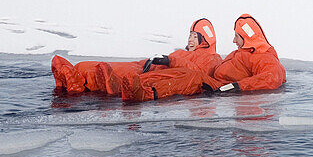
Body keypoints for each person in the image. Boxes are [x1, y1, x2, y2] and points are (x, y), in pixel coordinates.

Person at [111, 14, 286, 102]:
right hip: (215, 83)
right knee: (183, 74)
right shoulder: (241, 53)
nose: (233, 40)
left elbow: (273, 77)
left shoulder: (263, 56)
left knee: (191, 77)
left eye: (237, 36)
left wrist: (236, 87)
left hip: (219, 87)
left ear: (248, 37)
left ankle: (148, 93)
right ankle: (138, 85)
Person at [50, 18, 220, 95]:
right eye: (189, 36)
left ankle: (105, 84)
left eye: (194, 36)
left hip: (157, 73)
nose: (190, 40)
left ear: (204, 39)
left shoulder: (212, 58)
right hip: (145, 65)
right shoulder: (182, 52)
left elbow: (200, 74)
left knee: (122, 75)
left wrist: (171, 60)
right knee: (104, 66)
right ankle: (75, 75)